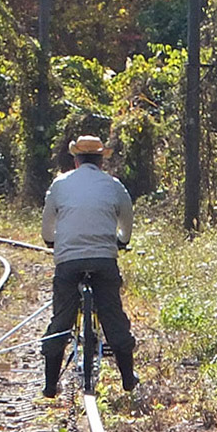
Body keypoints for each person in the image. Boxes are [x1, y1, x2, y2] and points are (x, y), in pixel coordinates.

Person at [40, 134, 137, 398]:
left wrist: (51, 240)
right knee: (113, 316)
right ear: (101, 161)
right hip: (104, 259)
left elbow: (48, 223)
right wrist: (122, 240)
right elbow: (127, 216)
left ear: (75, 160)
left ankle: (50, 384)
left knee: (61, 318)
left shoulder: (60, 184)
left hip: (68, 262)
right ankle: (128, 378)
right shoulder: (113, 185)